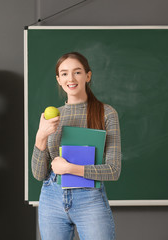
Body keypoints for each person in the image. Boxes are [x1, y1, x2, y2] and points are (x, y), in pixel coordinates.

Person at [32, 52, 121, 240]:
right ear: (58, 79)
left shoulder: (106, 113)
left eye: (77, 72)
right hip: (51, 197)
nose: (70, 79)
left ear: (88, 76)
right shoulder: (53, 116)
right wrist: (40, 137)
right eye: (64, 74)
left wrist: (69, 168)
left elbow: (113, 170)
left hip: (90, 198)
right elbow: (39, 174)